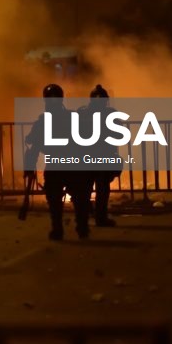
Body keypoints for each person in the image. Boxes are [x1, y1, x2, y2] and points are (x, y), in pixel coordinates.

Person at [24, 83, 90, 240]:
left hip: (60, 163)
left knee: (59, 200)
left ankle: (62, 229)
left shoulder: (45, 121)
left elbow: (34, 145)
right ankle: (80, 228)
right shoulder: (71, 117)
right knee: (75, 198)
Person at [78, 84, 121, 227]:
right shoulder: (111, 114)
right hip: (102, 157)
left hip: (87, 157)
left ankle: (85, 217)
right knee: (102, 189)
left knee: (85, 189)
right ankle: (100, 218)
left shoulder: (82, 112)